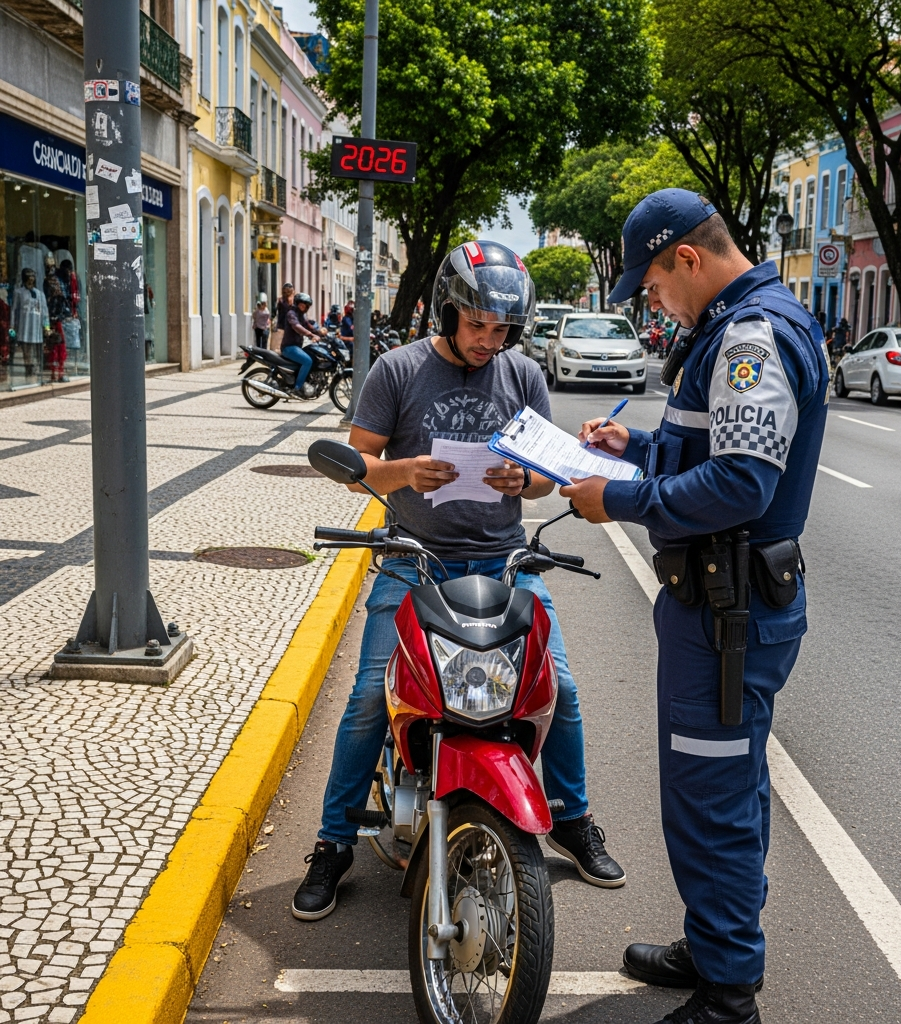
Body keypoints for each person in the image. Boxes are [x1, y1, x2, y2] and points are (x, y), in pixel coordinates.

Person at [291, 239, 625, 923]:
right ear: (448, 311)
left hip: (505, 559)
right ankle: (331, 842)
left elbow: (544, 479)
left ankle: (573, 815)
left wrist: (521, 480)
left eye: (502, 330)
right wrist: (406, 471)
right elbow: (357, 460)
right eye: (477, 325)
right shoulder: (397, 369)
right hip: (412, 561)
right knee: (366, 695)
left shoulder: (524, 376)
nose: (488, 341)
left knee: (556, 685)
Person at [562, 190, 829, 1024]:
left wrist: (622, 500)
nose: (650, 302)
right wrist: (636, 448)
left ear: (686, 258)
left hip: (727, 611)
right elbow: (711, 451)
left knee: (711, 801)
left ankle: (727, 999)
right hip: (724, 603)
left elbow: (743, 483)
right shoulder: (741, 322)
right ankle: (716, 946)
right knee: (728, 789)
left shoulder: (749, 336)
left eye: (648, 286)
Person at [281, 292, 323, 398]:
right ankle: (297, 388)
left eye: (305, 305)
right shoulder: (292, 314)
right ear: (297, 303)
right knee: (307, 361)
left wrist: (320, 333)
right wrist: (311, 335)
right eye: (301, 304)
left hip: (296, 347)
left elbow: (308, 326)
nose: (303, 307)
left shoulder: (301, 316)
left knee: (313, 357)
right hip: (289, 347)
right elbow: (297, 327)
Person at [272, 283, 294, 352]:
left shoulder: (293, 300)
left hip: (290, 326)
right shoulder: (281, 301)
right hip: (282, 326)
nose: (286, 293)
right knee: (279, 345)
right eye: (285, 292)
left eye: (288, 292)